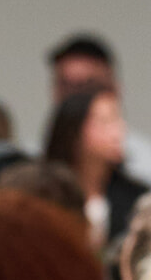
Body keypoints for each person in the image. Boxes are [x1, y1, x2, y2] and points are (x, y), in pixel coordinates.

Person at [44, 84, 147, 251]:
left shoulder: (136, 197)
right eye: (105, 121)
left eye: (118, 119)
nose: (119, 130)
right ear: (73, 129)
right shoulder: (43, 195)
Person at [46, 33, 151, 188]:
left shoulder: (145, 166)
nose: (77, 97)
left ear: (115, 89)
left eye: (90, 86)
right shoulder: (31, 164)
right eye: (67, 85)